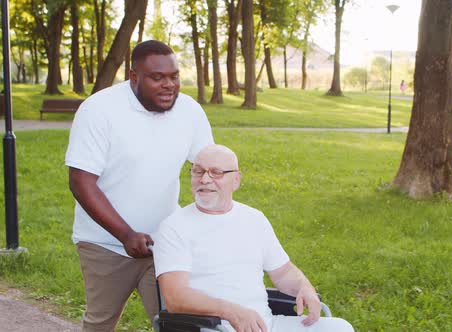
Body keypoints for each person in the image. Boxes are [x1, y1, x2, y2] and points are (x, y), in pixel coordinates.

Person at [65, 40, 214, 331]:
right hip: (104, 244)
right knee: (100, 322)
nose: (168, 85)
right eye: (157, 78)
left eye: (173, 76)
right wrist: (125, 234)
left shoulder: (189, 110)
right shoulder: (99, 110)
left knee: (177, 322)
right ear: (134, 77)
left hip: (163, 242)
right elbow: (81, 181)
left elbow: (208, 165)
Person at [154, 145, 354, 332]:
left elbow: (283, 273)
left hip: (264, 325)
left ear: (236, 180)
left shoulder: (254, 218)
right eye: (198, 171)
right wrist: (230, 311)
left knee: (340, 328)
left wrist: (305, 287)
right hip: (212, 327)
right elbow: (175, 298)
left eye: (216, 172)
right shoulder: (174, 227)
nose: (205, 179)